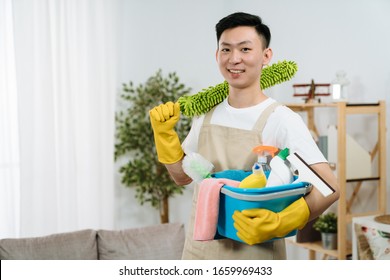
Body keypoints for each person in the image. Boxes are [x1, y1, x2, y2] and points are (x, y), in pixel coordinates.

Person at [149, 12, 339, 260]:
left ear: (266, 56)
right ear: (217, 55)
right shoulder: (205, 114)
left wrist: (282, 221)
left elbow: (330, 188)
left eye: (245, 49)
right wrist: (164, 136)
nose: (234, 59)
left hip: (254, 254)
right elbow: (182, 177)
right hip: (200, 252)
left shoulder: (281, 119)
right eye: (226, 50)